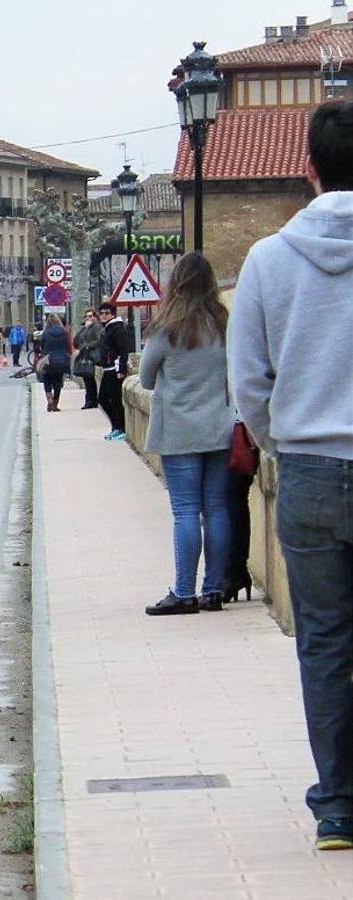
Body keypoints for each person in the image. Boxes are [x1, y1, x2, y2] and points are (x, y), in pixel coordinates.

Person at [229, 98, 353, 850]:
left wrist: (284, 443)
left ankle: (338, 807)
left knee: (326, 642)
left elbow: (249, 385)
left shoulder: (270, 259)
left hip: (307, 471)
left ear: (308, 168)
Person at [138, 254, 234, 617]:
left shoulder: (166, 327)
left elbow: (145, 379)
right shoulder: (223, 324)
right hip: (219, 429)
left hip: (180, 431)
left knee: (185, 512)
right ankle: (213, 590)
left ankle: (183, 592)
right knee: (217, 510)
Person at [96, 302, 133, 440]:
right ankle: (116, 427)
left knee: (115, 400)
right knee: (103, 399)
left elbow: (123, 350)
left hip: (115, 369)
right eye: (102, 313)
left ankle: (121, 429)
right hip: (108, 368)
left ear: (112, 314)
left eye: (107, 313)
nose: (104, 316)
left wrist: (121, 369)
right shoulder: (107, 328)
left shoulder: (117, 328)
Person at [36, 313, 72, 412]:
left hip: (49, 360)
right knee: (58, 382)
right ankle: (55, 404)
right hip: (61, 360)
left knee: (47, 380)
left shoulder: (46, 333)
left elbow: (42, 346)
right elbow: (69, 346)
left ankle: (49, 399)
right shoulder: (64, 332)